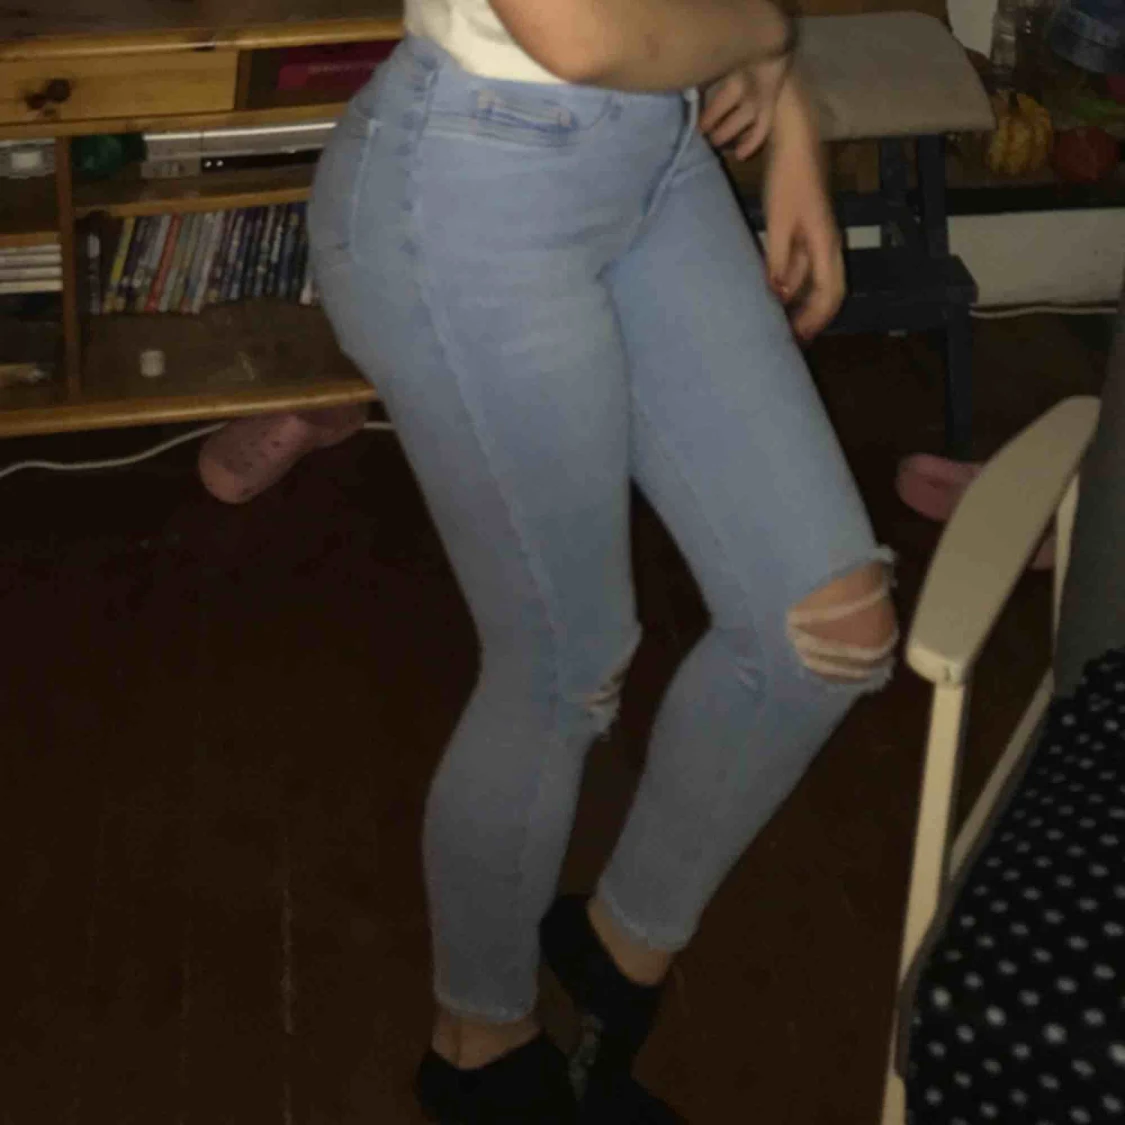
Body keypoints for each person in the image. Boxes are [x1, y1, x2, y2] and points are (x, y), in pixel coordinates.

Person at [307, 0, 899, 1120]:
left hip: (658, 158)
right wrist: (768, 39)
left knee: (828, 625)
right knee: (561, 663)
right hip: (474, 182)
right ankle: (477, 1043)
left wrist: (793, 112)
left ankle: (612, 953)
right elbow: (575, 31)